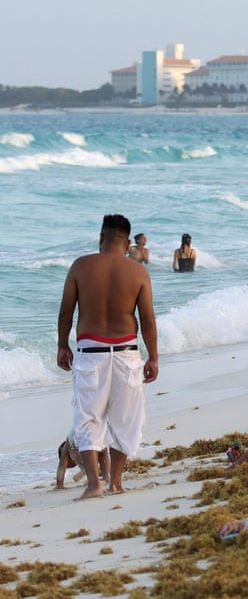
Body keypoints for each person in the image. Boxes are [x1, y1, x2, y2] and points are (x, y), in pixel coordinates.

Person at [57, 214, 158, 500]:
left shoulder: (81, 266)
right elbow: (148, 320)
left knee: (88, 417)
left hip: (90, 353)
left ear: (101, 238)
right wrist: (153, 357)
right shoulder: (138, 272)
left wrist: (63, 345)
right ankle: (115, 482)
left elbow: (66, 311)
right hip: (126, 352)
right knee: (126, 418)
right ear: (127, 243)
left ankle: (93, 485)